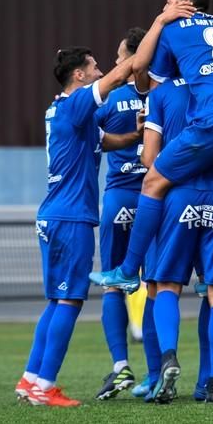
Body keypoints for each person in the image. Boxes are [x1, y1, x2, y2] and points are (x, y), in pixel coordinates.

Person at [90, 0, 213, 293]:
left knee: (153, 182)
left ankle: (129, 270)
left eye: (167, 1)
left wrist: (161, 21)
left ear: (182, 3)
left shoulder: (172, 29)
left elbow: (143, 68)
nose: (164, 7)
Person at [13, 46, 140, 407]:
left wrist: (135, 136)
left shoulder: (66, 112)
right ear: (79, 76)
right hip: (71, 218)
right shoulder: (77, 103)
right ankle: (45, 386)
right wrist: (160, 25)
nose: (103, 71)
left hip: (54, 215)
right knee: (69, 300)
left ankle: (31, 378)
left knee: (56, 302)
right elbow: (118, 77)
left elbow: (107, 141)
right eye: (95, 66)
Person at [137, 75, 213, 404]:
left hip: (177, 195)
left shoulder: (162, 94)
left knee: (166, 286)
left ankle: (166, 359)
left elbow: (149, 161)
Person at [92, 27, 147, 401]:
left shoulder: (109, 100)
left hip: (119, 199)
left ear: (133, 58)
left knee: (113, 284)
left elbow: (88, 140)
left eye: (119, 56)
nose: (114, 64)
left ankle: (120, 367)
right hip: (157, 199)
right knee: (162, 285)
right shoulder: (170, 94)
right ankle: (160, 370)